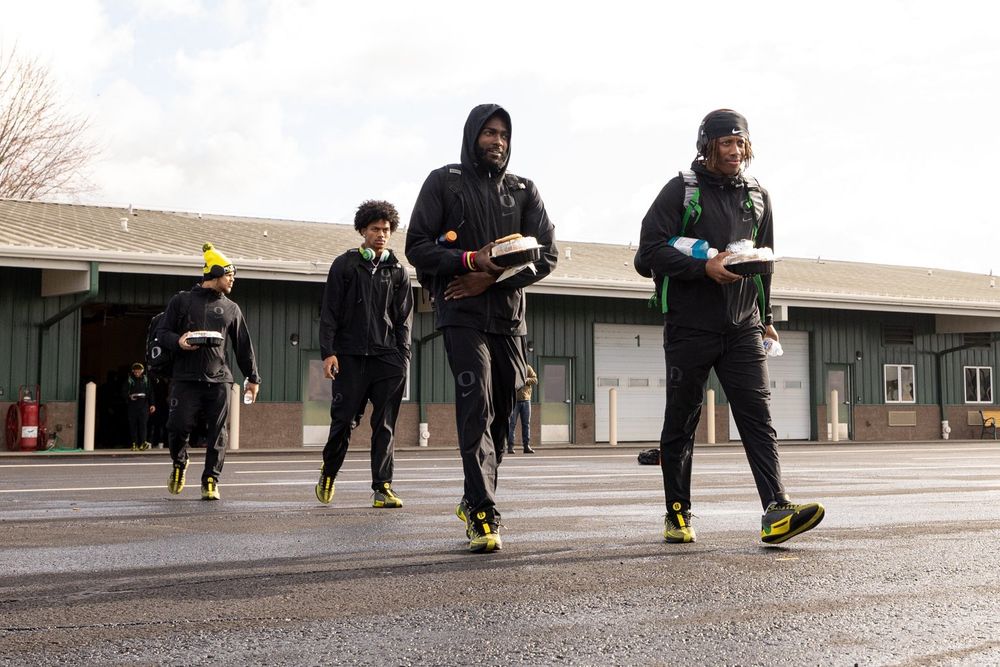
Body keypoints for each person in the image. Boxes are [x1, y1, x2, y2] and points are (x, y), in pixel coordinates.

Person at [634, 109, 824, 545]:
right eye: (726, 143)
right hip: (689, 327)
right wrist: (705, 268)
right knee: (681, 422)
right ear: (707, 145)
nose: (735, 151)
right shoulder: (681, 190)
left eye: (741, 143)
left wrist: (768, 319)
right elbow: (647, 255)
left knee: (758, 418)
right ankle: (677, 514)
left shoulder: (757, 196)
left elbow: (764, 262)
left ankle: (777, 508)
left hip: (743, 327)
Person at [405, 103, 558, 552]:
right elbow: (417, 246)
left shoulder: (524, 189)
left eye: (504, 135)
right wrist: (469, 261)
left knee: (503, 411)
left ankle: (474, 496)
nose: (497, 141)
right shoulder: (444, 182)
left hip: (509, 320)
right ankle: (483, 514)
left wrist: (489, 276)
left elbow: (545, 255)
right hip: (461, 315)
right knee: (477, 404)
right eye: (489, 133)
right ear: (473, 135)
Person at [314, 200, 413, 509]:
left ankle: (383, 487)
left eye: (386, 229)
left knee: (384, 425)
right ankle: (329, 472)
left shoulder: (398, 271)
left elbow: (403, 319)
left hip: (387, 360)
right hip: (350, 357)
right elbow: (329, 312)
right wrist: (329, 352)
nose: (381, 234)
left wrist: (403, 357)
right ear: (362, 230)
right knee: (343, 422)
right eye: (375, 229)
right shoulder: (345, 265)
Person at [156, 242, 261, 500]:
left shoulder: (231, 308)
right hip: (185, 378)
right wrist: (179, 341)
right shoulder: (181, 301)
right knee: (177, 427)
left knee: (218, 432)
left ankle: (211, 480)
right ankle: (179, 463)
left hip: (219, 380)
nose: (233, 280)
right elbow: (162, 334)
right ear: (214, 273)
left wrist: (253, 378)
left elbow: (243, 346)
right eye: (229, 275)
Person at [507, 363, 537, 454]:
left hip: (526, 400)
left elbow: (535, 380)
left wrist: (527, 380)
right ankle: (510, 447)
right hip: (514, 401)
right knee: (511, 424)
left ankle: (526, 446)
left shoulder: (527, 367)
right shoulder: (512, 366)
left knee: (526, 424)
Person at [123, 362, 153, 450]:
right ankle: (134, 443)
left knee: (143, 425)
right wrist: (129, 396)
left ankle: (143, 443)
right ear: (133, 371)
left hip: (144, 406)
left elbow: (151, 393)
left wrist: (152, 404)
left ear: (142, 371)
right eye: (135, 372)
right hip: (132, 406)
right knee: (133, 425)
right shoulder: (129, 380)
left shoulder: (146, 380)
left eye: (138, 372)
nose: (137, 373)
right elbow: (124, 392)